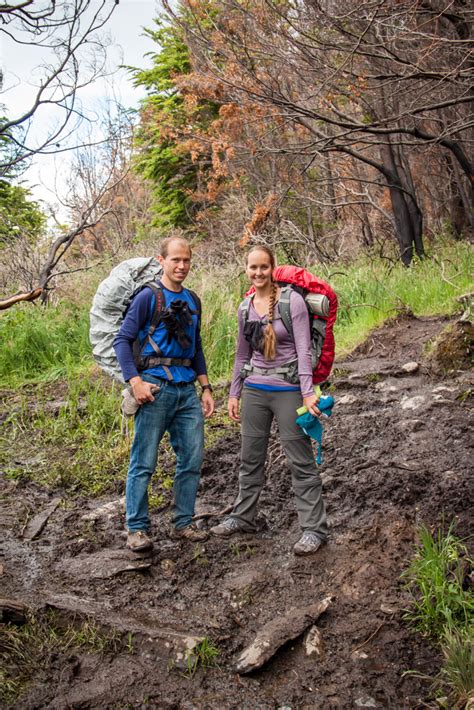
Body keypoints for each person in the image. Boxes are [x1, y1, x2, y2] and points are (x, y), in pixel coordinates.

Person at [210, 246, 328, 555]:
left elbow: (303, 351)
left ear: (272, 268)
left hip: (288, 390)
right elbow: (241, 354)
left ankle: (313, 529)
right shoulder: (244, 307)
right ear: (246, 269)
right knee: (250, 459)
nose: (258, 272)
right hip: (254, 391)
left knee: (300, 460)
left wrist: (307, 391)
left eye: (264, 267)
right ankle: (243, 517)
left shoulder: (293, 302)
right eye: (253, 267)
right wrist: (234, 392)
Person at [114, 236, 214, 552]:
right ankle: (137, 530)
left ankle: (183, 523)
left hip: (187, 391)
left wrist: (206, 386)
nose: (182, 265)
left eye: (186, 260)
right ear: (161, 260)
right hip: (154, 389)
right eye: (176, 260)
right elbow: (122, 341)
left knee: (193, 459)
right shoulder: (148, 297)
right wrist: (135, 382)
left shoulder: (193, 300)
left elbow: (195, 347)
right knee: (143, 461)